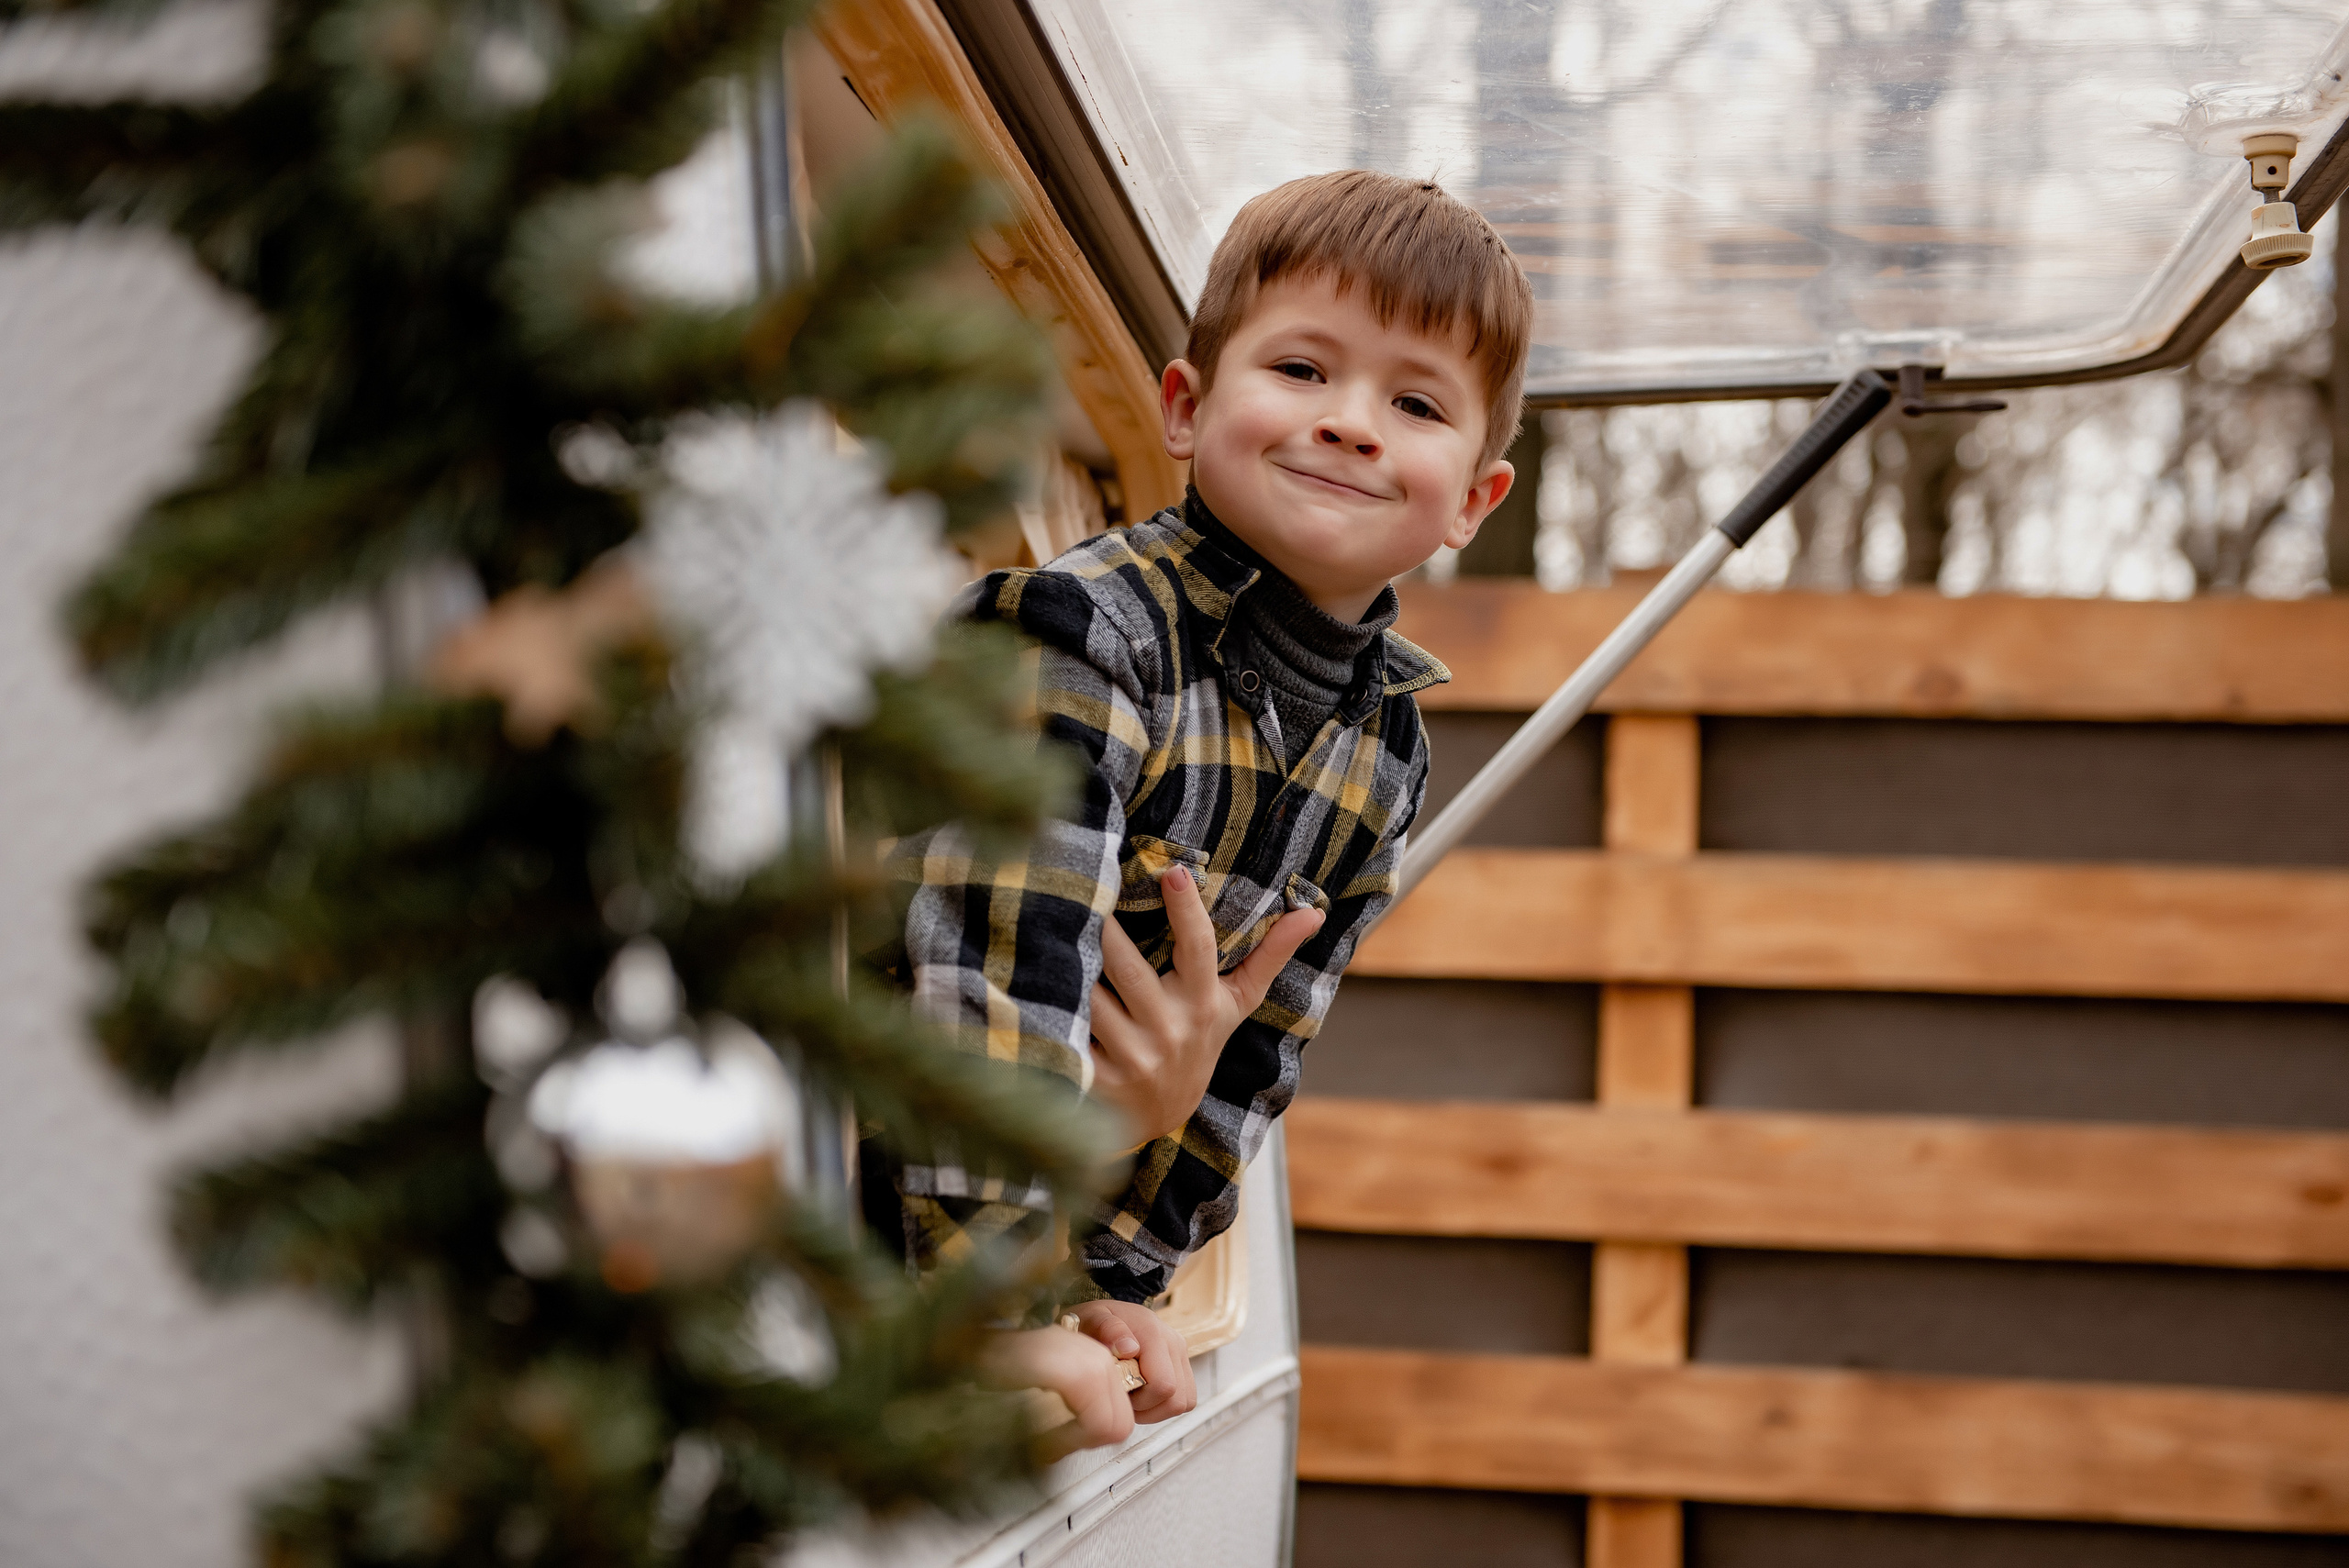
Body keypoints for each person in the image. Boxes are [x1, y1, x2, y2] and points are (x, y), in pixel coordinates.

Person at [882, 168, 1533, 1451]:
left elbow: (1254, 1055)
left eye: (1412, 401)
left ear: (1472, 499)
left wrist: (1118, 1279)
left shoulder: (1387, 751)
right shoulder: (1082, 632)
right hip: (877, 1186)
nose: (1351, 422)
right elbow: (993, 982)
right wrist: (990, 1297)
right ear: (1185, 407)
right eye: (1301, 369)